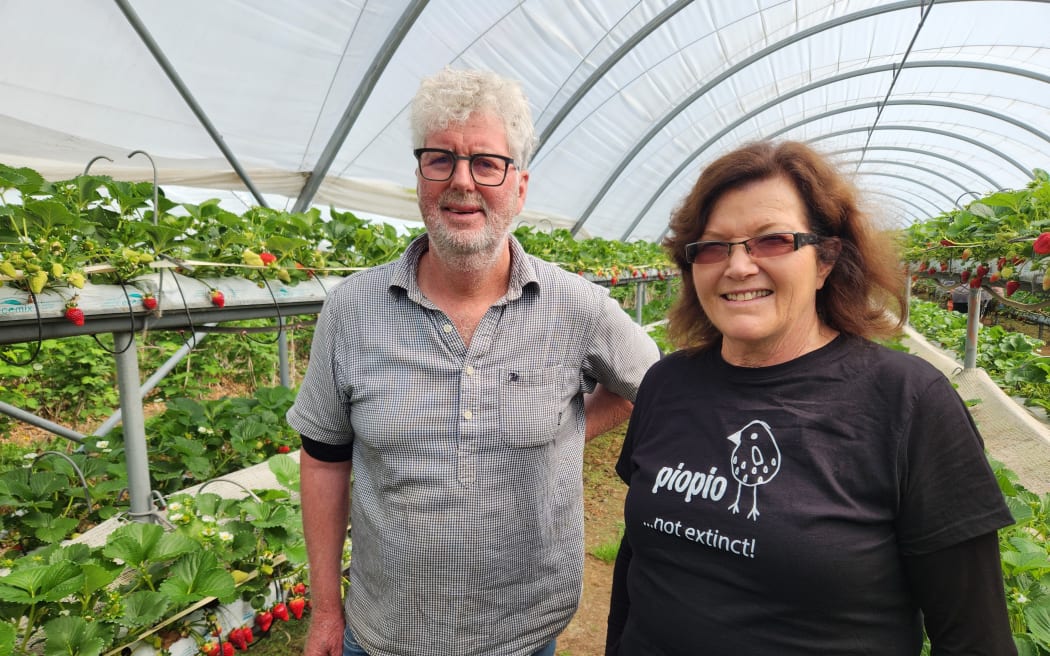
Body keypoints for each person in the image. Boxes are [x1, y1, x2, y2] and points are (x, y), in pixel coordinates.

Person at [286, 67, 660, 656]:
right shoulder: (352, 310)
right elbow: (325, 459)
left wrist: (571, 428)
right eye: (441, 159)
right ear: (419, 177)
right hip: (383, 633)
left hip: (525, 634)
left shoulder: (576, 306)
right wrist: (327, 613)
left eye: (486, 163)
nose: (462, 182)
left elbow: (652, 381)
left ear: (520, 186)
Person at [605, 140, 1016, 655]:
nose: (737, 266)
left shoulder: (908, 403)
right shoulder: (668, 382)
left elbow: (974, 638)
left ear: (826, 260)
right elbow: (639, 561)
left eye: (772, 240)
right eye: (713, 246)